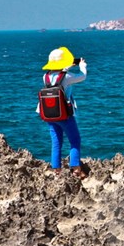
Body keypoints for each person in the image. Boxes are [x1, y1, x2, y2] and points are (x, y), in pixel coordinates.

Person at [39, 46, 88, 179]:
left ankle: (56, 170)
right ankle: (76, 169)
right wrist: (82, 65)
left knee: (56, 142)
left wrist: (67, 66)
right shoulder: (67, 77)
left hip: (50, 115)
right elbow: (82, 77)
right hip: (65, 115)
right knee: (75, 140)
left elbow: (59, 75)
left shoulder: (46, 76)